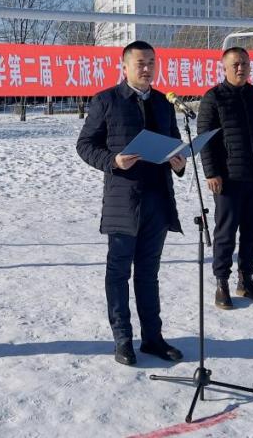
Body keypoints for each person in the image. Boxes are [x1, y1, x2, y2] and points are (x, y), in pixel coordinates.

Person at [76, 41, 187, 366]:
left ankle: (153, 338)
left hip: (158, 199)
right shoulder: (106, 100)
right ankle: (123, 339)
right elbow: (84, 145)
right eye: (140, 62)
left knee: (148, 274)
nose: (147, 68)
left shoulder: (165, 104)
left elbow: (174, 145)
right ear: (124, 67)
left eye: (152, 62)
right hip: (123, 200)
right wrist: (113, 161)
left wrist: (178, 164)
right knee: (119, 272)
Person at [197, 46, 253, 310]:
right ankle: (222, 283)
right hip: (228, 180)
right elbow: (205, 141)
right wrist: (211, 173)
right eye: (235, 64)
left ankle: (246, 281)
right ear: (224, 67)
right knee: (225, 234)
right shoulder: (214, 98)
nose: (240, 68)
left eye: (244, 63)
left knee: (252, 233)